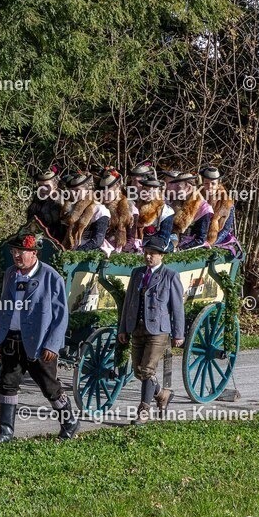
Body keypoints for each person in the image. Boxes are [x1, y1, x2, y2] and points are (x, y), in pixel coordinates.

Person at [0, 232, 79, 442]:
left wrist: (53, 345)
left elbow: (60, 315)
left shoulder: (50, 276)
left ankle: (70, 422)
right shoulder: (10, 274)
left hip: (39, 343)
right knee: (7, 384)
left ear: (34, 253)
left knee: (49, 387)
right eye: (14, 251)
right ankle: (5, 432)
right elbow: (3, 309)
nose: (16, 256)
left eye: (21, 252)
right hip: (12, 339)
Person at [118, 235, 185, 424]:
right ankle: (162, 394)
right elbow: (128, 302)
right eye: (146, 253)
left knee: (147, 370)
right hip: (136, 327)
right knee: (139, 371)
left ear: (162, 256)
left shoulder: (170, 276)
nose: (148, 257)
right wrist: (123, 328)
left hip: (158, 330)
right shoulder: (137, 273)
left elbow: (177, 307)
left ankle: (143, 412)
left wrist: (178, 333)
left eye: (152, 254)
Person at [62, 173, 112, 254]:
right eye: (72, 190)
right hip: (73, 251)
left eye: (78, 190)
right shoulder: (73, 210)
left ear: (88, 190)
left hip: (93, 253)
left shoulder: (100, 209)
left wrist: (77, 252)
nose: (74, 194)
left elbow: (97, 241)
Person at [126, 177, 175, 252]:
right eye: (145, 189)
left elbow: (163, 238)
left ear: (158, 192)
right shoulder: (135, 207)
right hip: (136, 244)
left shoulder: (166, 211)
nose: (147, 193)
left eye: (152, 191)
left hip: (157, 245)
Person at [171, 173, 214, 249]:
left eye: (178, 187)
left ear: (189, 187)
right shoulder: (178, 203)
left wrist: (180, 249)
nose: (175, 190)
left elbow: (200, 240)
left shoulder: (204, 208)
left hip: (192, 248)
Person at [25, 167, 65, 242]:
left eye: (46, 186)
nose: (43, 189)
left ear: (55, 186)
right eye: (40, 186)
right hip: (37, 238)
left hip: (56, 241)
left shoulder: (62, 200)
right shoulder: (37, 198)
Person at [200, 167, 237, 248]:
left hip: (216, 238)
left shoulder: (227, 203)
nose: (209, 186)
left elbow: (225, 230)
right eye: (206, 183)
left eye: (213, 183)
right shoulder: (197, 197)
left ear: (218, 184)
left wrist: (211, 243)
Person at [97, 169, 132, 252]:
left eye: (108, 193)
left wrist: (119, 252)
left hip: (121, 250)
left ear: (117, 189)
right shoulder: (98, 208)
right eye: (102, 193)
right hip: (100, 247)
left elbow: (131, 239)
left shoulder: (129, 208)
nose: (105, 196)